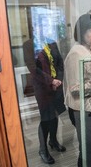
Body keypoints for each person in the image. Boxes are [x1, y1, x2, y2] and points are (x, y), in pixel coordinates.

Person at [64, 12, 91, 167]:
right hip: (83, 109)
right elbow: (74, 88)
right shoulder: (76, 53)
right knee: (88, 150)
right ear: (82, 32)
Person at [23, 19, 66, 165]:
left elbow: (60, 62)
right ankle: (43, 149)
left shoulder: (51, 42)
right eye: (40, 26)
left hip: (56, 86)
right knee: (46, 118)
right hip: (43, 88)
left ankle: (53, 141)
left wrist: (58, 80)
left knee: (54, 116)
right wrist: (51, 81)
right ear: (34, 28)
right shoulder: (29, 45)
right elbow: (33, 69)